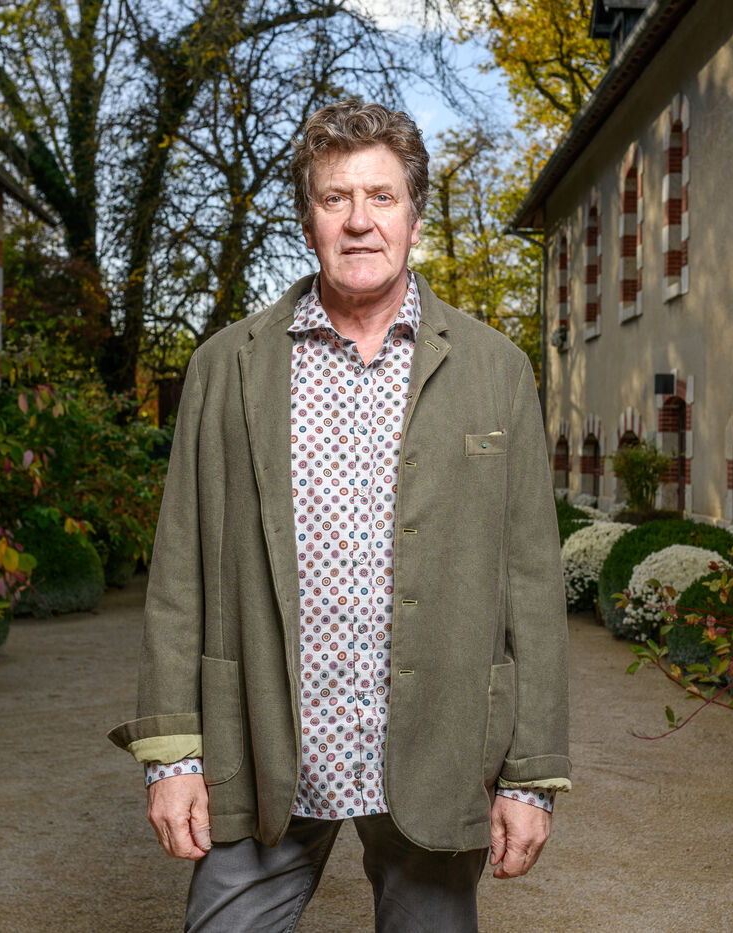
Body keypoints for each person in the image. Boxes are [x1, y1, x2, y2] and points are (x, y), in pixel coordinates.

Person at [108, 99, 570, 932]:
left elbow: (533, 581)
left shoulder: (496, 369)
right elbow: (179, 573)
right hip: (264, 741)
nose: (360, 220)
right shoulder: (225, 367)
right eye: (335, 198)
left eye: (382, 197)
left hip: (438, 744)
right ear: (308, 219)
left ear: (415, 217)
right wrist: (170, 754)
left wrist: (530, 775)